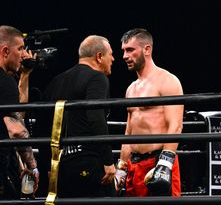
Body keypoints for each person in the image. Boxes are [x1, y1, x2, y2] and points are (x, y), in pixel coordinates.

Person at [41, 35, 116, 198]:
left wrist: (48, 166)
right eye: (111, 54)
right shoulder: (97, 78)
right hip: (88, 160)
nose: (113, 59)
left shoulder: (55, 82)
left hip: (60, 167)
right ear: (99, 56)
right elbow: (96, 116)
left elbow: (43, 124)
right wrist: (109, 161)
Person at [115, 28, 184, 197]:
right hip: (134, 166)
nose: (124, 56)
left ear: (147, 49)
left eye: (130, 50)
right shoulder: (131, 89)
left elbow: (175, 126)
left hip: (158, 162)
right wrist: (122, 167)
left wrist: (165, 164)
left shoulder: (167, 80)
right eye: (123, 50)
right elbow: (129, 131)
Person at [0, 25, 39, 199]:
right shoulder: (5, 81)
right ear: (5, 51)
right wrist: (32, 166)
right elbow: (16, 130)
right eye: (20, 48)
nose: (24, 55)